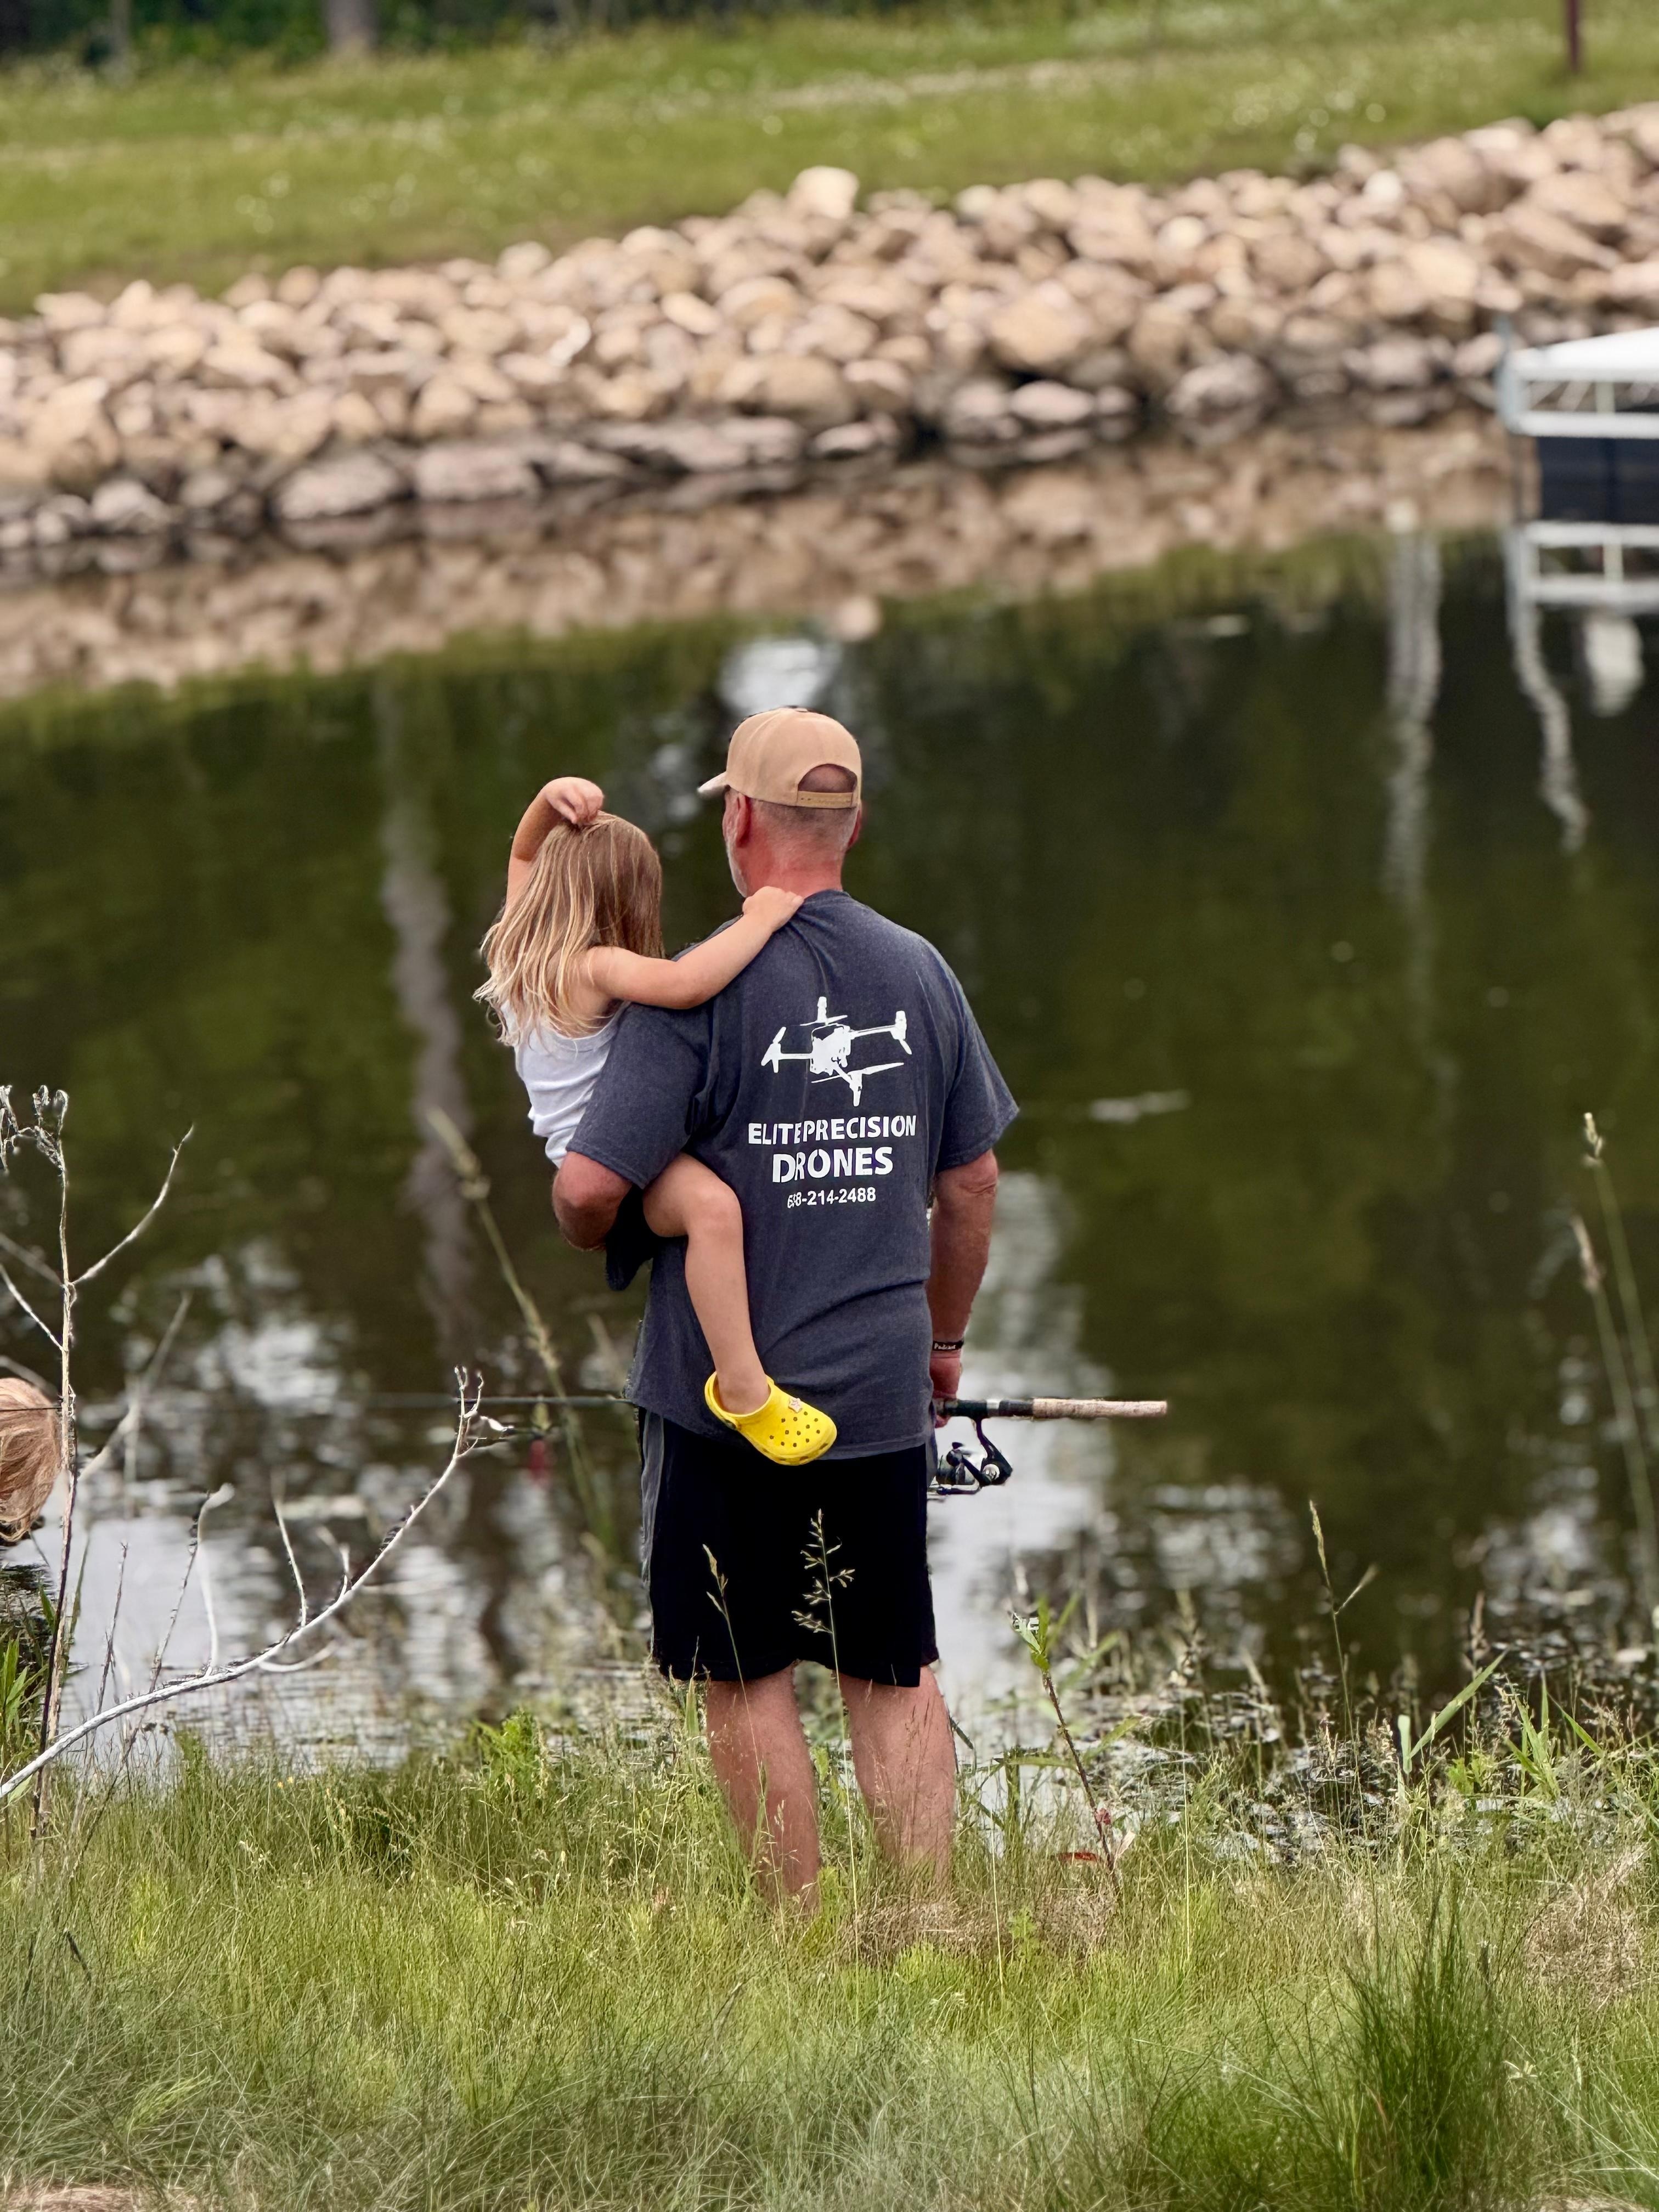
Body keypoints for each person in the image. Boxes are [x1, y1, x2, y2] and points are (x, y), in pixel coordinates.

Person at [553, 707, 1015, 1903]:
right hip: (875, 1392)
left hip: (723, 1403)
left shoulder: (692, 991)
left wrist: (630, 1209)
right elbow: (969, 1183)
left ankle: (801, 1937)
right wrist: (945, 1342)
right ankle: (924, 1920)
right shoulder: (921, 971)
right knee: (892, 1666)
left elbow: (591, 1188)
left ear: (742, 819)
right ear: (852, 823)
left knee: (744, 1671)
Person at [478, 775, 838, 1464]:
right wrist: (759, 919)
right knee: (713, 1211)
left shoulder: (520, 949)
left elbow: (524, 859)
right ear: (625, 900)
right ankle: (743, 1392)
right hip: (613, 1147)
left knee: (714, 1207)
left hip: (575, 1142)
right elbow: (684, 983)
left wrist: (545, 801)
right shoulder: (594, 964)